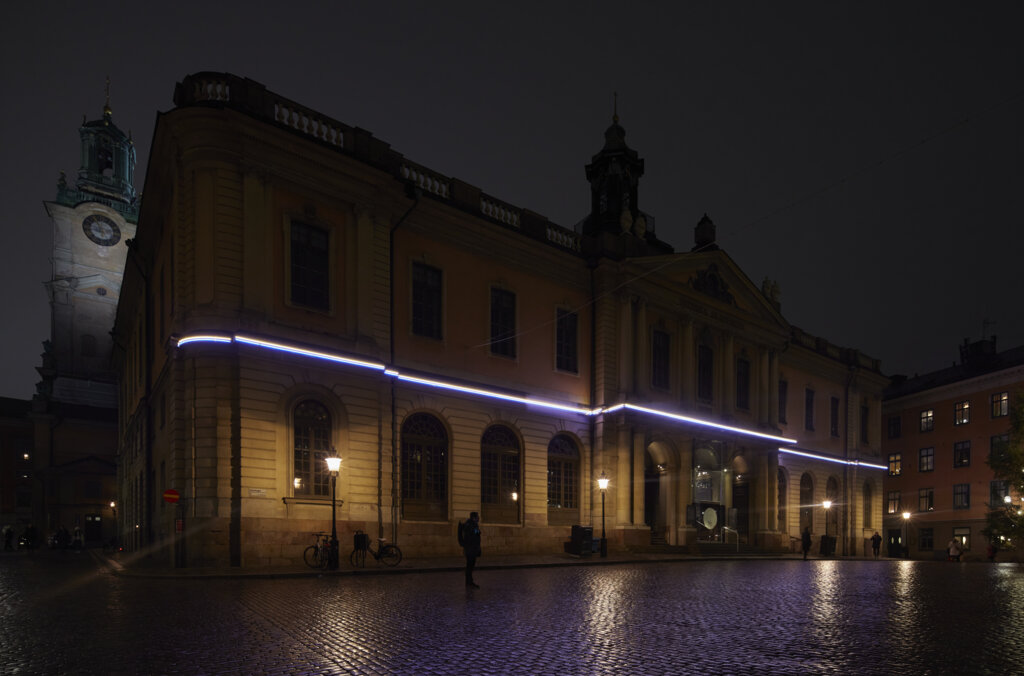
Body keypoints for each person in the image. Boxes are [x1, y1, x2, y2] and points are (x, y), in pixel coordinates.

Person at [458, 512, 482, 588]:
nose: (478, 518)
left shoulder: (470, 524)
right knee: (469, 566)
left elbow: (477, 533)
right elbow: (474, 535)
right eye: (477, 517)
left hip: (470, 549)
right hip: (470, 549)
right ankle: (469, 583)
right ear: (474, 518)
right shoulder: (470, 525)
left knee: (470, 567)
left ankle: (469, 582)